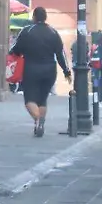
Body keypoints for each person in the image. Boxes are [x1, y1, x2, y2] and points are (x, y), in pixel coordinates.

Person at [9, 7, 71, 137]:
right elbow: (61, 54)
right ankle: (40, 123)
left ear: (34, 17)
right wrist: (66, 71)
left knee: (30, 99)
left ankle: (38, 119)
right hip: (49, 70)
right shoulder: (53, 32)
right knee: (43, 99)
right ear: (45, 17)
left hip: (31, 69)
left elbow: (16, 49)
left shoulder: (27, 31)